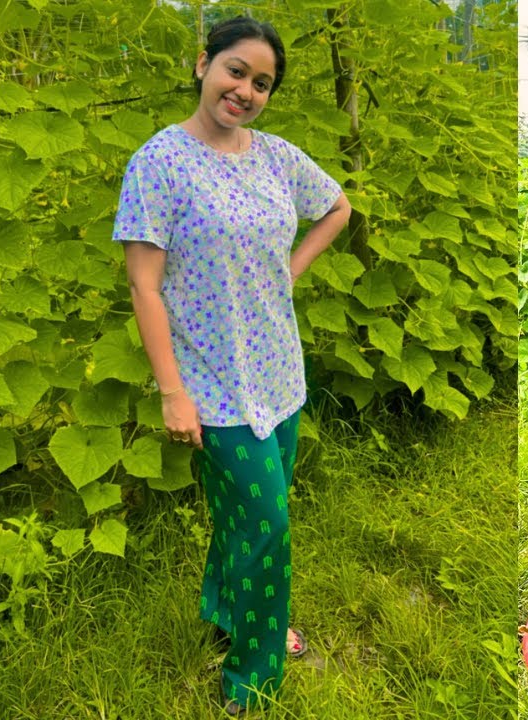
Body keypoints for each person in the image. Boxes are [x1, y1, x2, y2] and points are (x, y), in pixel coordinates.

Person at [112, 16, 351, 715]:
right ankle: (254, 668)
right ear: (202, 64)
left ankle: (228, 605)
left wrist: (290, 269)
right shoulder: (159, 162)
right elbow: (144, 286)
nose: (245, 90)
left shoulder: (276, 157)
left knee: (246, 516)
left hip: (280, 372)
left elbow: (336, 206)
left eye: (263, 82)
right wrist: (172, 393)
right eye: (236, 71)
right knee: (266, 524)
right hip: (212, 384)